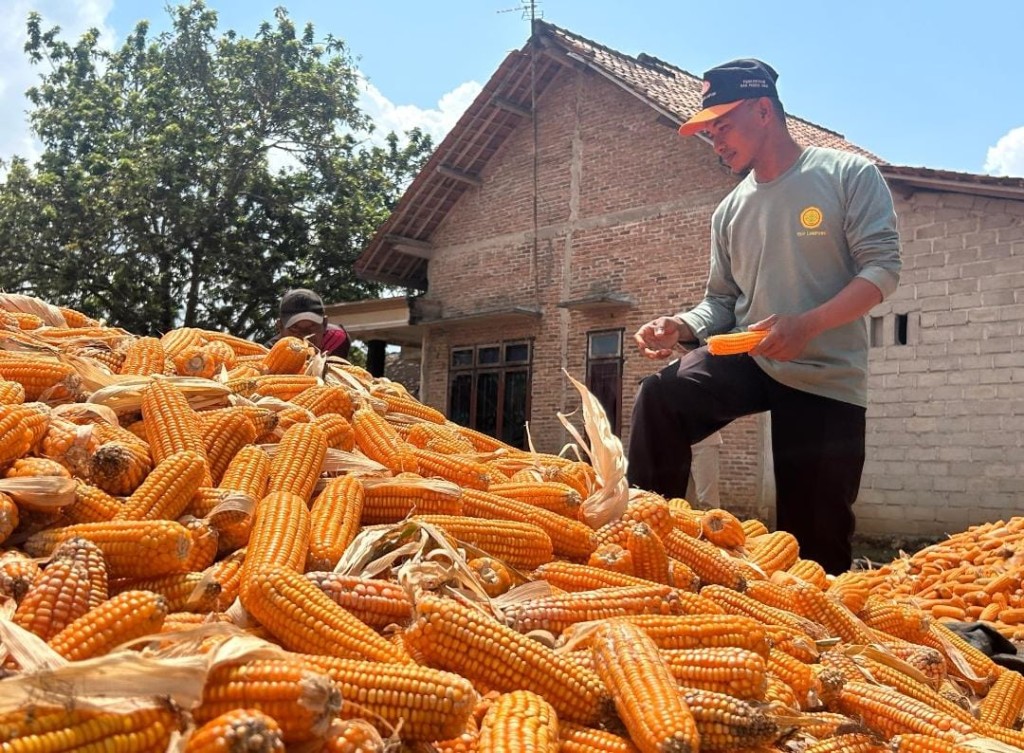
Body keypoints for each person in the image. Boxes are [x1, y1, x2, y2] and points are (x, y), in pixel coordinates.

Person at [627, 59, 901, 574]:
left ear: (763, 111)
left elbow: (882, 270)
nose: (716, 141)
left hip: (826, 372)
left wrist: (808, 325)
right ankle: (646, 544)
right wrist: (682, 324)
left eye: (723, 126)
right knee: (662, 396)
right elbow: (723, 301)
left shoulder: (845, 175)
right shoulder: (729, 211)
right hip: (753, 357)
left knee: (815, 552)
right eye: (708, 132)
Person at [274, 288, 351, 360]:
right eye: (295, 328)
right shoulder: (270, 352)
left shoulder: (336, 340)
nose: (305, 337)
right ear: (280, 327)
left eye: (312, 328)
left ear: (324, 324)